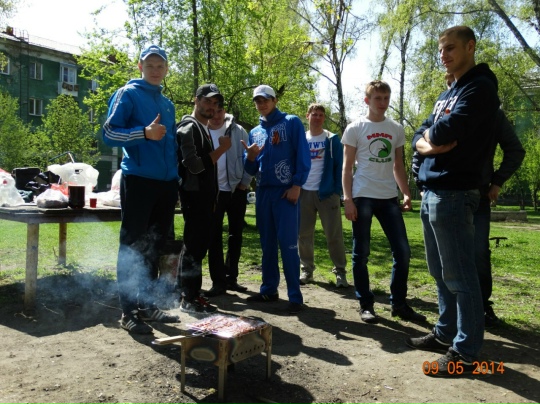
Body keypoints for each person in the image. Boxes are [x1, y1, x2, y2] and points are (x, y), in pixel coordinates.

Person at [406, 26, 501, 376]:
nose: (443, 55)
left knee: (460, 275)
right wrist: (428, 144)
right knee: (440, 272)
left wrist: (431, 139)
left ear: (470, 47)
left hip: (456, 192)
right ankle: (445, 332)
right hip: (433, 191)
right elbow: (421, 133)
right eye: (441, 49)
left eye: (450, 48)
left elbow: (447, 130)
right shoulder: (450, 91)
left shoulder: (480, 87)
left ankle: (466, 352)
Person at [412, 73, 526, 327]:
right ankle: (451, 323)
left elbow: (515, 150)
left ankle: (479, 312)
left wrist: (497, 181)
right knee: (443, 264)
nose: (453, 86)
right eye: (450, 83)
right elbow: (418, 147)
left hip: (475, 193)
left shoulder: (490, 113)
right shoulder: (441, 110)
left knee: (476, 257)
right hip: (439, 191)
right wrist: (421, 182)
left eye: (458, 82)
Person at [103, 44, 180, 334]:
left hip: (166, 184)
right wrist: (144, 133)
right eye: (150, 65)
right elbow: (109, 133)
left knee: (154, 246)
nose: (155, 70)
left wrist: (175, 179)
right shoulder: (128, 94)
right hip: (138, 180)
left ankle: (147, 305)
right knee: (132, 247)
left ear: (167, 69)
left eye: (160, 66)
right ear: (140, 67)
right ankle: (128, 312)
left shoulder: (167, 104)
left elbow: (170, 145)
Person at [341, 80, 426, 324]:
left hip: (389, 197)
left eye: (386, 98)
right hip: (363, 195)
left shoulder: (396, 128)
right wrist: (348, 199)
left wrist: (406, 193)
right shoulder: (355, 128)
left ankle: (399, 303)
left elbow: (398, 164)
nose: (382, 103)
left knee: (403, 251)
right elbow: (347, 167)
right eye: (377, 98)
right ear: (367, 100)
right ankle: (366, 304)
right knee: (361, 253)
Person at [242, 84, 311, 314]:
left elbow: (303, 155)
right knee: (267, 244)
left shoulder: (291, 122)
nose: (262, 104)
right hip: (263, 192)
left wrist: (297, 185)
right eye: (258, 101)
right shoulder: (255, 132)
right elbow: (250, 169)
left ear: (274, 100)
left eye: (266, 99)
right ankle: (269, 289)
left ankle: (295, 296)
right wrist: (250, 157)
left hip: (286, 192)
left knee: (288, 244)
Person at [176, 83, 231, 314]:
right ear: (196, 100)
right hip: (194, 197)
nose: (212, 106)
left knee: (196, 248)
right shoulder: (188, 127)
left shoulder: (201, 128)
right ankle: (188, 298)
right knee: (194, 248)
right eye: (207, 101)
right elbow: (195, 166)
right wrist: (221, 150)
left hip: (204, 198)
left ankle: (188, 294)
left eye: (215, 103)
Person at [298, 103, 349, 288]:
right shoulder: (301, 138)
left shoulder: (331, 139)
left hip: (327, 194)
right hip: (304, 192)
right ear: (307, 116)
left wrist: (337, 191)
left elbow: (340, 166)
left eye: (321, 115)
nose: (317, 118)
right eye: (314, 114)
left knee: (333, 235)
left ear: (324, 118)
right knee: (303, 234)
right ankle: (307, 270)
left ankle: (340, 272)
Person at [205, 106, 253, 296]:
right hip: (213, 193)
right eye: (212, 111)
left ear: (224, 111)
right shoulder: (202, 129)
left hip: (236, 190)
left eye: (219, 111)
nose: (216, 116)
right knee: (213, 236)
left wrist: (245, 183)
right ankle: (218, 282)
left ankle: (231, 278)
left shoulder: (238, 131)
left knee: (236, 235)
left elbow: (250, 158)